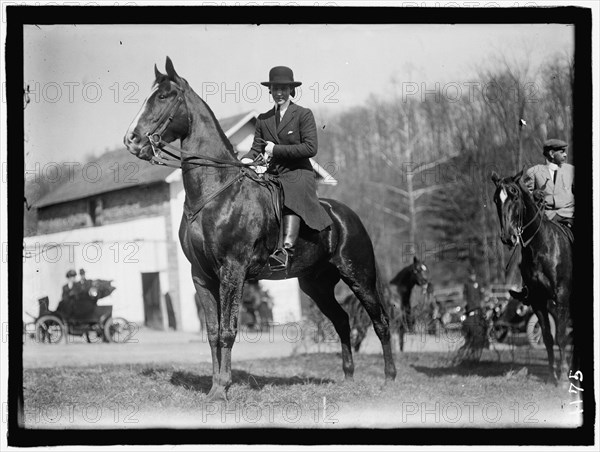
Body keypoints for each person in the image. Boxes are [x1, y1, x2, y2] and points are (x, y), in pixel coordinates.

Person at [241, 66, 332, 272]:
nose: (279, 93)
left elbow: (310, 148)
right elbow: (256, 149)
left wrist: (276, 149)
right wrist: (246, 160)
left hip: (298, 173)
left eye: (283, 89)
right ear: (270, 91)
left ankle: (286, 251)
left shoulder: (303, 114)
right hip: (273, 174)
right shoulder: (263, 119)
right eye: (275, 89)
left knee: (289, 189)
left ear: (291, 90)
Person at [510, 138, 574, 303]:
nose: (565, 155)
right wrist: (534, 195)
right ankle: (527, 288)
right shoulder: (534, 172)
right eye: (562, 152)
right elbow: (524, 197)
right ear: (552, 154)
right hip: (546, 218)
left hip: (569, 216)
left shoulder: (571, 171)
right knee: (528, 246)